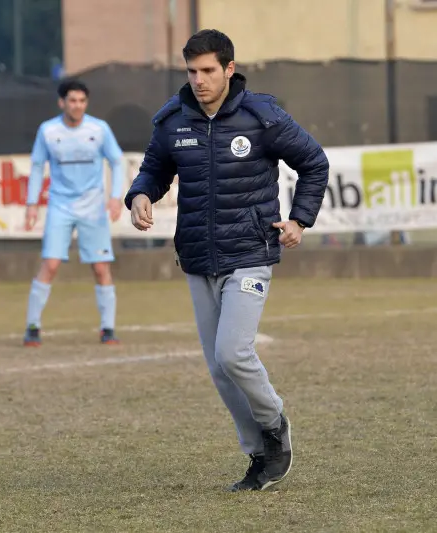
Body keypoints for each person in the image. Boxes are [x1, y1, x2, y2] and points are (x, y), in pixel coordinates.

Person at [125, 30, 329, 491]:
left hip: (249, 253)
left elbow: (314, 162)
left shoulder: (263, 116)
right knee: (219, 369)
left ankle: (275, 426)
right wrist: (140, 195)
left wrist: (300, 220)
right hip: (197, 255)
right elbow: (154, 169)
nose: (198, 80)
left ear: (229, 69)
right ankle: (259, 455)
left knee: (233, 353)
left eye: (208, 71)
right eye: (192, 71)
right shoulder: (172, 121)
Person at [23, 79, 124, 346]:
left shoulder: (99, 129)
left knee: (101, 268)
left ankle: (108, 329)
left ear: (86, 103)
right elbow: (36, 166)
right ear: (62, 103)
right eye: (72, 101)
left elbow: (117, 161)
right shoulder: (48, 130)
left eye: (81, 101)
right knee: (51, 264)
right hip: (60, 205)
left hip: (93, 207)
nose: (77, 106)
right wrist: (31, 204)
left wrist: (116, 198)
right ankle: (32, 326)